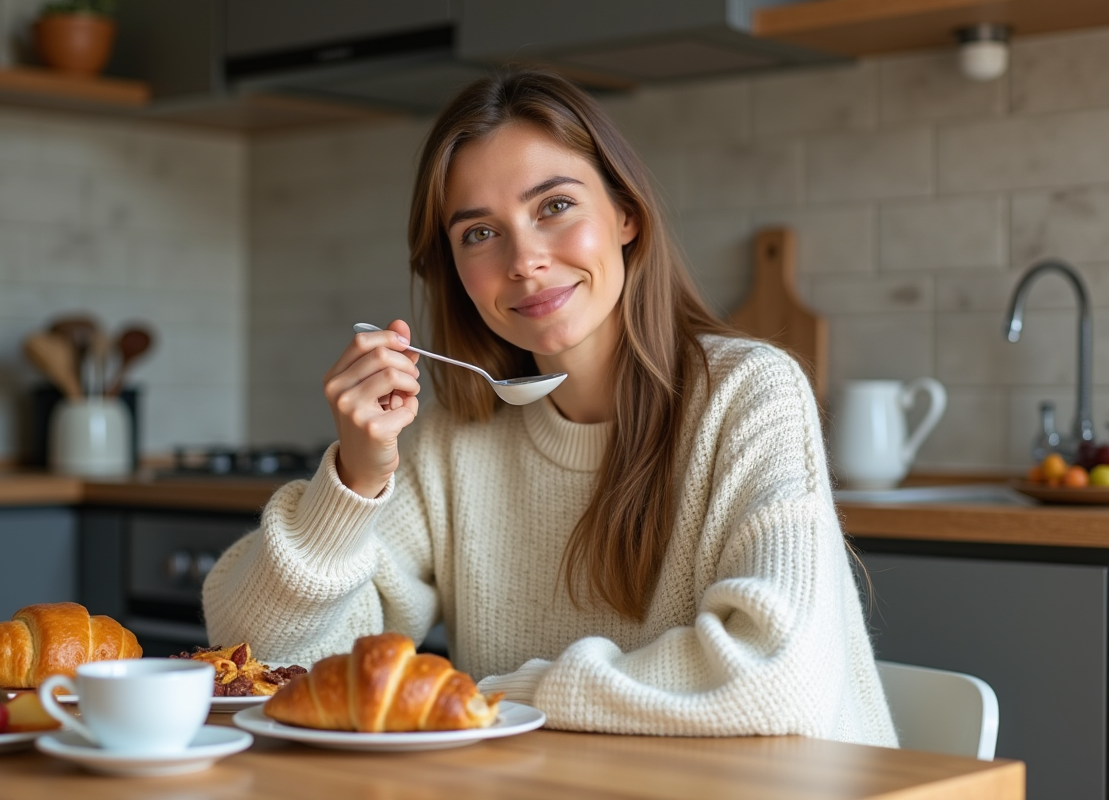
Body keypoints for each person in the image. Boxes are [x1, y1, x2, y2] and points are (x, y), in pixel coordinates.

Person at [203, 70, 897, 746]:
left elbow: (773, 678)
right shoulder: (457, 439)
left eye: (554, 206)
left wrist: (490, 699)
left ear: (625, 214)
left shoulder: (749, 394)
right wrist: (354, 480)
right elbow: (261, 656)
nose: (525, 259)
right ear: (455, 272)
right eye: (480, 233)